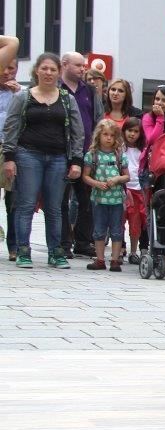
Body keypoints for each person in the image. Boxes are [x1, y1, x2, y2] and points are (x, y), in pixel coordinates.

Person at [2, 52, 85, 269]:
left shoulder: (67, 99)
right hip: (28, 154)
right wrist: (9, 158)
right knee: (26, 204)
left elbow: (78, 132)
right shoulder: (23, 96)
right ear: (36, 70)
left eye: (53, 69)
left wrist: (76, 160)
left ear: (59, 73)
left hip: (58, 157)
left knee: (55, 207)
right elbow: (10, 127)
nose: (48, 73)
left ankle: (56, 252)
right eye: (44, 68)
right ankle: (22, 250)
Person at [60, 51, 104, 259]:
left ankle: (83, 242)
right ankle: (63, 243)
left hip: (87, 152)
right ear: (65, 64)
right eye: (78, 65)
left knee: (87, 199)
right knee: (60, 200)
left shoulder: (89, 91)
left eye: (83, 65)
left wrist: (96, 148)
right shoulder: (56, 88)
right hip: (61, 151)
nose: (82, 69)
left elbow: (98, 119)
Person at [82, 120, 129, 272]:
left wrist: (117, 179)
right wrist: (96, 183)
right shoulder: (92, 155)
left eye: (112, 135)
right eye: (105, 134)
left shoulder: (119, 155)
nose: (109, 138)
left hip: (116, 199)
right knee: (99, 229)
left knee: (117, 229)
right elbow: (86, 176)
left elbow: (127, 176)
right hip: (99, 198)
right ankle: (100, 259)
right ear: (99, 136)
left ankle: (115, 259)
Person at [0, 53, 21, 260]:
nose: (7, 72)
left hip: (12, 149)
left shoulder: (23, 94)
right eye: (3, 67)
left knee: (13, 200)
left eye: (11, 68)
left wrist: (18, 96)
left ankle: (14, 246)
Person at [121, 117, 146, 264]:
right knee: (119, 222)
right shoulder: (119, 149)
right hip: (123, 189)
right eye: (129, 130)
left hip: (137, 189)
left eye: (136, 131)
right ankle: (119, 249)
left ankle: (133, 251)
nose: (132, 134)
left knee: (135, 223)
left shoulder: (142, 150)